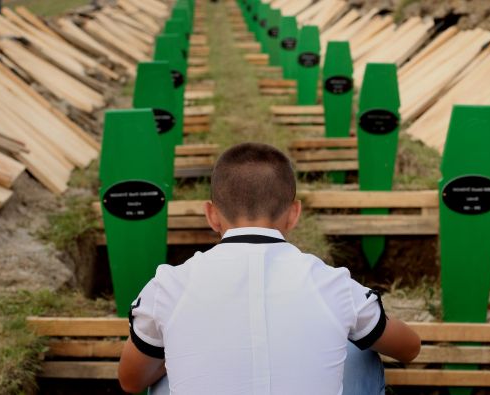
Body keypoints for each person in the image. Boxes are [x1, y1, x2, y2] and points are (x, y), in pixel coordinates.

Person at [119, 142, 421, 394]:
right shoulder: (333, 284)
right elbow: (408, 348)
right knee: (361, 350)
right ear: (294, 214)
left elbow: (131, 381)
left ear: (211, 215)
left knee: (162, 367)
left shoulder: (168, 285)